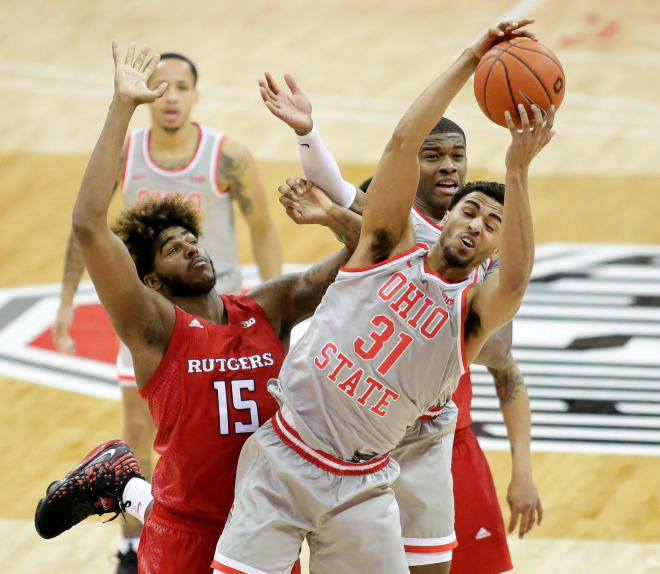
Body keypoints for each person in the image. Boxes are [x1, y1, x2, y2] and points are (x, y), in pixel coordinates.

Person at [213, 19, 554, 574]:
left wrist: (517, 168)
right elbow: (400, 143)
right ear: (444, 218)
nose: (475, 224)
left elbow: (514, 282)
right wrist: (472, 55)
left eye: (492, 223)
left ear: (496, 247)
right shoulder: (387, 245)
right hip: (286, 450)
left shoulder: (471, 315)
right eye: (469, 209)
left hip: (366, 477)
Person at [34, 41, 351, 574]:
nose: (190, 246)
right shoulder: (155, 328)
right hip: (185, 535)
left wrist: (317, 166)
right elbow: (89, 226)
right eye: (171, 247)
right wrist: (121, 106)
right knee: (143, 434)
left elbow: (370, 254)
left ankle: (125, 486)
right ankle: (127, 493)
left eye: (191, 238)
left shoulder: (266, 308)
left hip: (265, 526)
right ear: (152, 278)